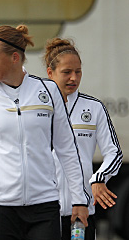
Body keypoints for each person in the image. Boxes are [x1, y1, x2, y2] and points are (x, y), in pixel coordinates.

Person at [0, 25, 89, 239]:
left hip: (44, 205)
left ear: (14, 58)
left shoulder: (48, 91)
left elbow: (67, 148)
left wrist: (79, 200)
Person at [44, 38, 123, 240]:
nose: (73, 78)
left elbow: (114, 152)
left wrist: (99, 178)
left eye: (78, 71)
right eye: (67, 72)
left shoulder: (94, 108)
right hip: (42, 211)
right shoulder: (37, 109)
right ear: (50, 73)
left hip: (80, 211)